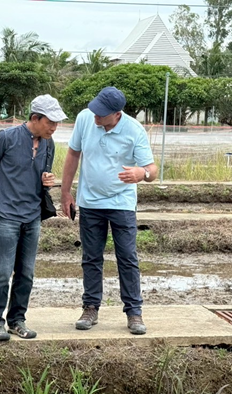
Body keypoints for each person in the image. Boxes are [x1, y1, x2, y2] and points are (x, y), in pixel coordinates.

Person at [60, 86, 158, 335]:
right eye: (94, 110)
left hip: (121, 203)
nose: (95, 117)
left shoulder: (134, 130)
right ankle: (90, 307)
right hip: (90, 202)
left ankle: (134, 312)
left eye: (101, 114)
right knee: (91, 257)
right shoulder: (85, 119)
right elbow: (73, 154)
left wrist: (141, 174)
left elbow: (152, 170)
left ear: (117, 114)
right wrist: (66, 192)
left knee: (127, 257)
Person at [0, 95, 67, 341]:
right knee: (3, 270)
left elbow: (44, 177)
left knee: (26, 272)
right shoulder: (6, 137)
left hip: (32, 215)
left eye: (57, 123)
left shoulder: (49, 145)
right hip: (6, 213)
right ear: (35, 118)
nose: (54, 127)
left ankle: (17, 320)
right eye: (50, 122)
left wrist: (47, 181)